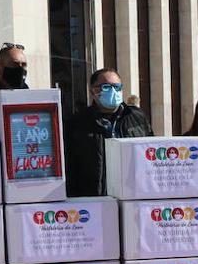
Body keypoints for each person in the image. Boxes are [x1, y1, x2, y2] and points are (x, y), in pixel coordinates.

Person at [64, 68, 153, 197]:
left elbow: (150, 152)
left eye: (117, 87)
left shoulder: (137, 117)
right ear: (93, 91)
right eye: (106, 87)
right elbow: (70, 167)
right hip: (95, 199)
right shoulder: (77, 123)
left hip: (132, 196)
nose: (113, 91)